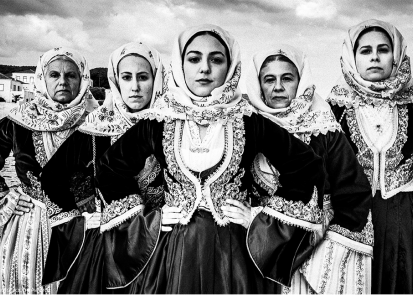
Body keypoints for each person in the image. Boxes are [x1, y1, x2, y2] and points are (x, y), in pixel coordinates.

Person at [95, 24, 326, 295]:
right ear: (181, 65)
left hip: (234, 252)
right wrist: (149, 219)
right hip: (174, 251)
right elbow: (110, 170)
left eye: (215, 60)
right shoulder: (158, 120)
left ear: (229, 67)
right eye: (194, 59)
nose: (204, 68)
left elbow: (306, 165)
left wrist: (260, 218)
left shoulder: (248, 120)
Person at [327, 19, 413, 295]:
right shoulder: (334, 110)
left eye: (383, 49)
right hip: (349, 229)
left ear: (396, 56)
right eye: (365, 51)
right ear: (352, 58)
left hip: (406, 227)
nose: (375, 57)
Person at [246, 44, 373, 294]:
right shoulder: (246, 124)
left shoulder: (324, 128)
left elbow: (353, 194)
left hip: (312, 252)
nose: (278, 87)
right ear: (258, 84)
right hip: (252, 249)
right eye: (269, 79)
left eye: (287, 78)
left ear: (301, 80)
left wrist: (320, 256)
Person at [41, 42, 165, 295]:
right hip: (109, 240)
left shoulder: (171, 123)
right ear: (116, 81)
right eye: (126, 77)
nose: (135, 87)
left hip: (161, 238)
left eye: (143, 77)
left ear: (157, 79)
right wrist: (83, 215)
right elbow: (53, 177)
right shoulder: (97, 127)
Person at [0, 47, 97, 294]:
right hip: (29, 227)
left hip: (84, 228)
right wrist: (5, 195)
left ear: (83, 79)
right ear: (42, 79)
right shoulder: (18, 121)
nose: (62, 81)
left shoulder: (98, 122)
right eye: (54, 75)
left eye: (71, 75)